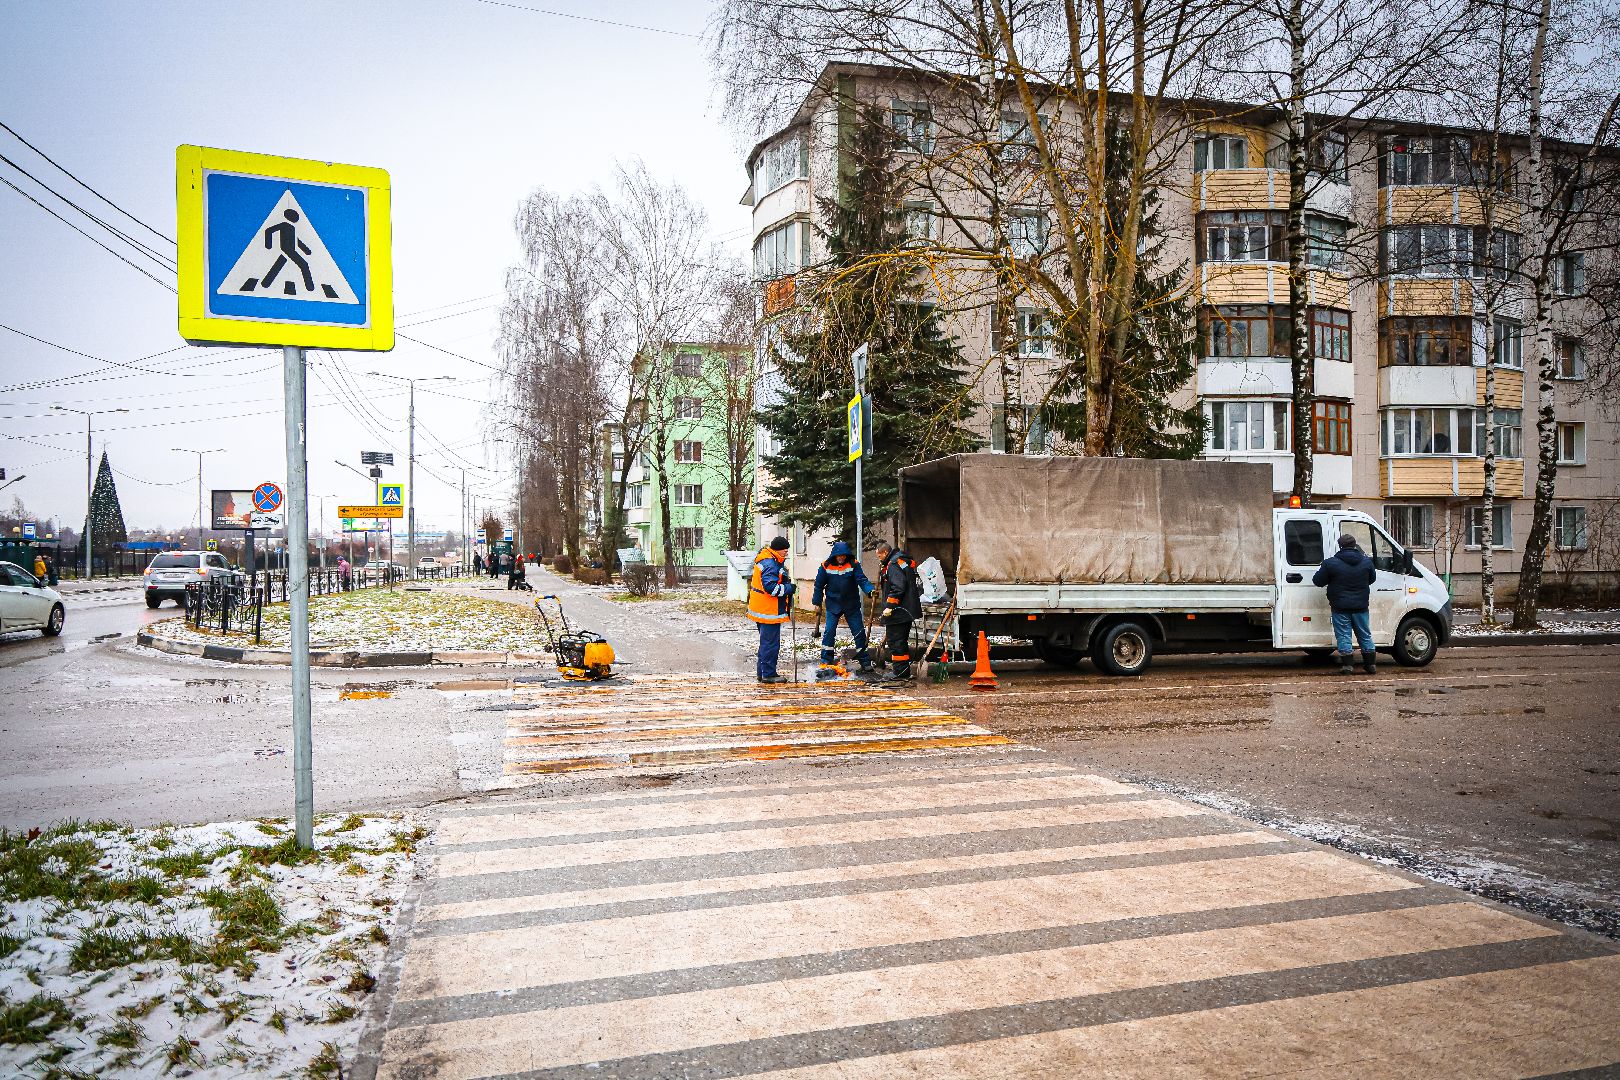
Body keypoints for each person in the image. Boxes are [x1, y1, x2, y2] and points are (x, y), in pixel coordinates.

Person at [1313, 533, 1379, 675]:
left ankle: (1348, 666)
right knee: (1364, 634)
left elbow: (1318, 581)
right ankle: (1370, 664)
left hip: (1340, 606)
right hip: (1361, 606)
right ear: (1355, 545)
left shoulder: (1331, 563)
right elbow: (1372, 579)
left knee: (1343, 635)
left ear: (1340, 546)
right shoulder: (1366, 562)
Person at [811, 540, 875, 677]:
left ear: (847, 555)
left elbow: (862, 580)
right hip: (833, 604)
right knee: (829, 631)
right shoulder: (825, 566)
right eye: (839, 556)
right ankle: (826, 660)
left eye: (844, 555)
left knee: (859, 632)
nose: (841, 558)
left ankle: (865, 661)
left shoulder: (854, 564)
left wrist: (870, 591)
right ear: (834, 555)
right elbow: (818, 585)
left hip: (851, 604)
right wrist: (817, 602)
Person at [747, 536, 795, 684]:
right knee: (770, 644)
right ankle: (768, 674)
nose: (787, 552)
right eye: (784, 550)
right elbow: (771, 588)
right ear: (777, 550)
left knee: (766, 643)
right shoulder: (770, 564)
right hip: (768, 611)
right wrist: (789, 588)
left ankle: (762, 673)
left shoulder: (768, 559)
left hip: (763, 609)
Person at [875, 541, 923, 680]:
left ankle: (900, 673)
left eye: (879, 556)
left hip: (899, 612)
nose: (879, 559)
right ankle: (903, 671)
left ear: (885, 553)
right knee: (900, 641)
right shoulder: (901, 561)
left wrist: (890, 606)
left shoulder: (894, 565)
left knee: (896, 642)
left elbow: (898, 587)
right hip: (906, 610)